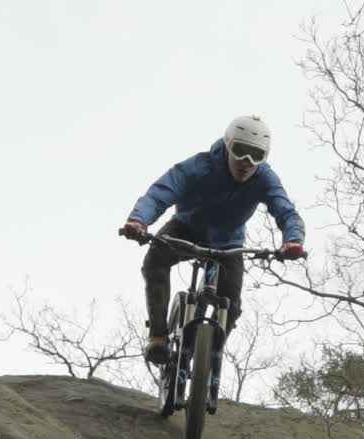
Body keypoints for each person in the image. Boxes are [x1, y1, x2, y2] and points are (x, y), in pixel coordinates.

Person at [121, 114, 306, 364]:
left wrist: (292, 241)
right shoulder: (199, 167)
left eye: (256, 156)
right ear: (228, 145)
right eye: (240, 151)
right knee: (154, 262)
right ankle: (158, 336)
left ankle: (207, 359)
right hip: (185, 231)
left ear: (264, 158)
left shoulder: (265, 179)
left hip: (228, 245)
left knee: (232, 305)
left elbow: (285, 211)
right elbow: (160, 193)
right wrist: (138, 222)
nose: (246, 162)